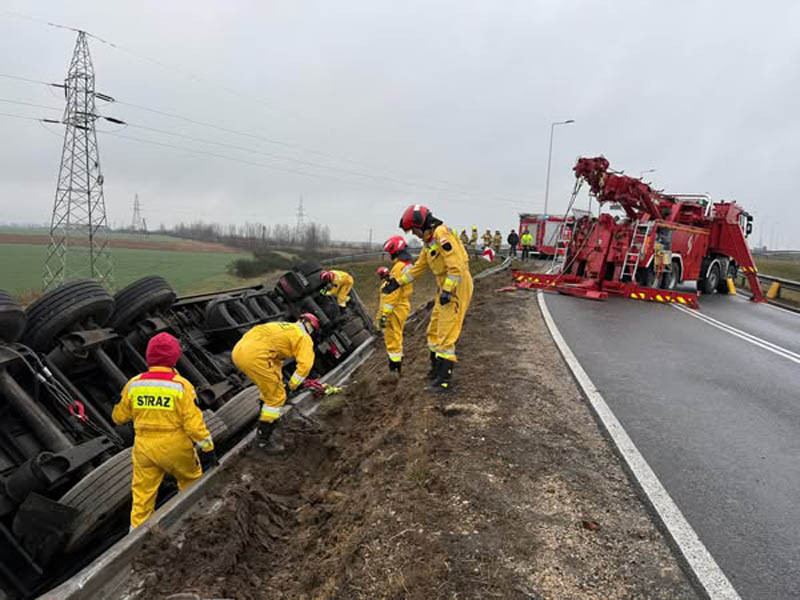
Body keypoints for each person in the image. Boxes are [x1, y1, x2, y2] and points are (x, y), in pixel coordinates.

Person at [112, 332, 216, 530]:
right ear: (174, 357)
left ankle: (135, 540)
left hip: (143, 448)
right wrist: (208, 447)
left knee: (142, 498)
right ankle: (193, 525)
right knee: (190, 482)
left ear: (149, 356)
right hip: (175, 446)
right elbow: (193, 424)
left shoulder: (134, 384)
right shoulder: (181, 385)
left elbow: (119, 417)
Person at [382, 205, 473, 392]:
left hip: (456, 286)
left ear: (421, 224)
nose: (413, 234)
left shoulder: (441, 234)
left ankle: (444, 380)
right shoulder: (429, 242)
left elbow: (456, 267)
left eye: (413, 230)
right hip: (445, 287)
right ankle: (435, 371)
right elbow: (417, 269)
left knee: (446, 332)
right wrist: (397, 282)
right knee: (433, 330)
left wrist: (448, 290)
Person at [232, 313, 321, 453]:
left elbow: (275, 362)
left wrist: (280, 383)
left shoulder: (284, 327)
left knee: (270, 391)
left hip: (239, 352)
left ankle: (266, 420)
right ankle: (264, 440)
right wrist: (291, 386)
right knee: (276, 398)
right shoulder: (304, 338)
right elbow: (305, 367)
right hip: (256, 357)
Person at [376, 236, 414, 375]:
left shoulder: (398, 268)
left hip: (395, 309)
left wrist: (384, 315)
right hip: (401, 306)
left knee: (392, 338)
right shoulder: (406, 266)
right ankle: (397, 366)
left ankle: (394, 369)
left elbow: (392, 293)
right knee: (396, 337)